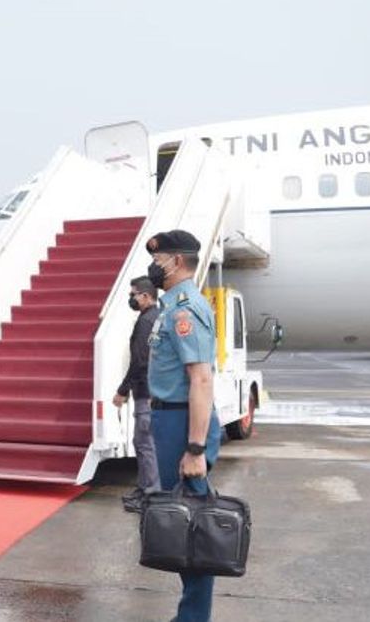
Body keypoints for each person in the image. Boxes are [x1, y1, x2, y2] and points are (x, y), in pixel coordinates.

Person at [144, 230, 222, 622]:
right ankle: (191, 613)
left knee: (193, 522)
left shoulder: (184, 310)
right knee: (183, 521)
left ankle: (193, 617)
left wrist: (194, 449)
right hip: (171, 417)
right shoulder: (172, 305)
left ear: (175, 262)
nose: (153, 268)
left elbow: (201, 379)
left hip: (181, 421)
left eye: (158, 261)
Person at [114, 275, 161, 513]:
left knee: (145, 444)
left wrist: (122, 390)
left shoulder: (146, 321)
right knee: (143, 442)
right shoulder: (155, 317)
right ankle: (144, 489)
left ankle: (150, 493)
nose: (131, 299)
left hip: (145, 391)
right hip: (152, 389)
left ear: (145, 295)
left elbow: (140, 361)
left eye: (133, 294)